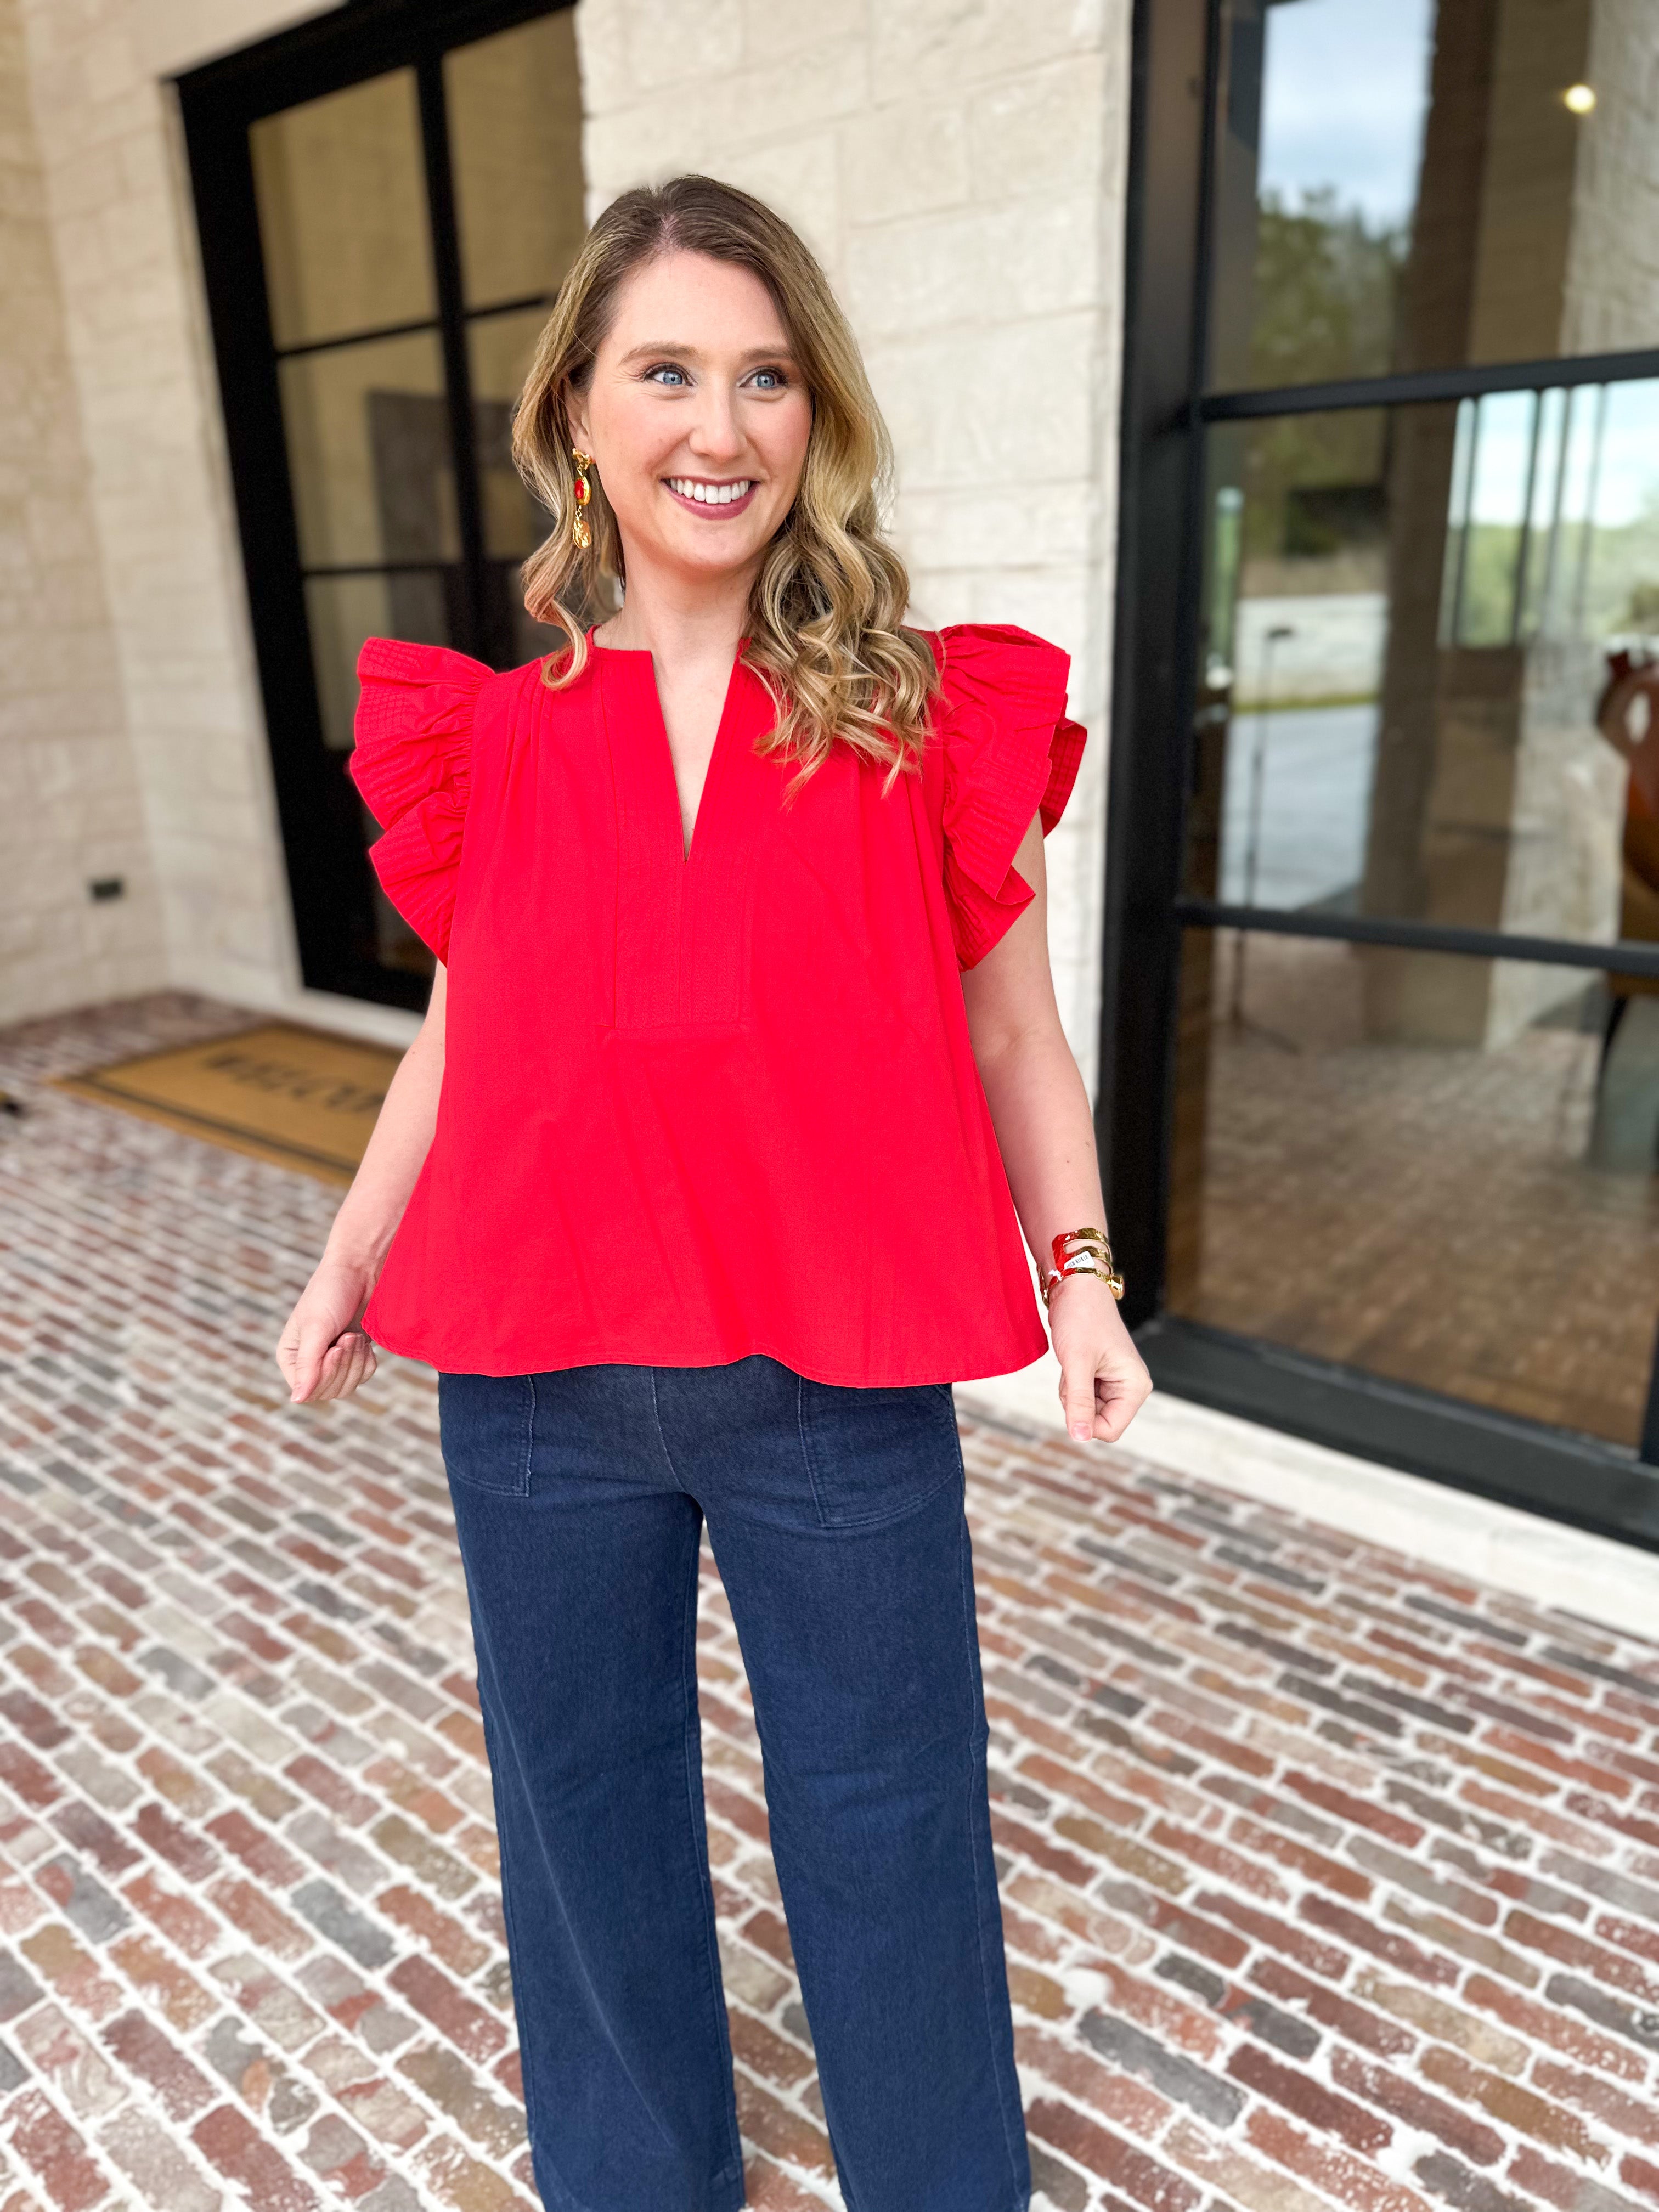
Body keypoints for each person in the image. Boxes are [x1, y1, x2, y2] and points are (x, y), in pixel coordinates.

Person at [275, 174, 1151, 2212]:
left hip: (832, 1383)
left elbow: (1019, 1041)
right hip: (535, 1380)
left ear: (813, 417)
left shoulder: (919, 716)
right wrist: (345, 1258)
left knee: (890, 1815)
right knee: (580, 1816)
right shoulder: (485, 742)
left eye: (765, 379)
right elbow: (456, 1039)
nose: (720, 427)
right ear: (579, 413)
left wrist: (1084, 1280)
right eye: (667, 370)